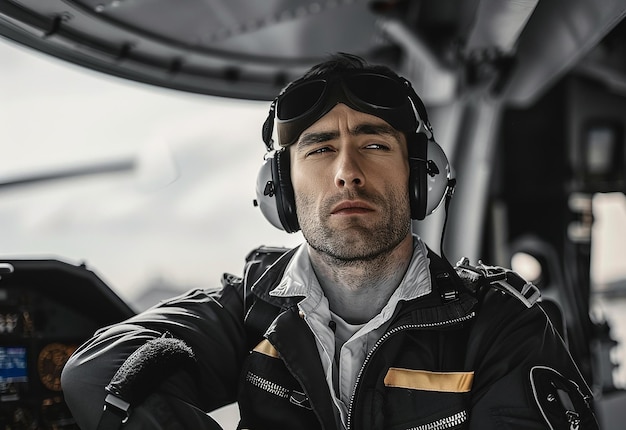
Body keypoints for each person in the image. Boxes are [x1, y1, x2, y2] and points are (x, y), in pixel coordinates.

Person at [61, 53, 598, 430]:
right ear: (281, 191)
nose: (346, 171)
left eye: (374, 144)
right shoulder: (253, 308)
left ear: (422, 177)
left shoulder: (500, 326)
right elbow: (97, 371)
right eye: (318, 149)